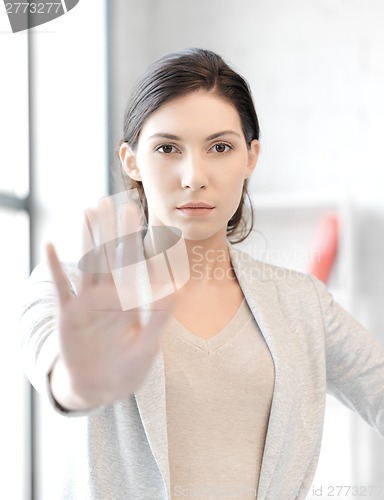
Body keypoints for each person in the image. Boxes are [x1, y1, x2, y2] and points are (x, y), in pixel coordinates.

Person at [20, 48, 384, 500]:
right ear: (131, 160)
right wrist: (82, 380)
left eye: (220, 147)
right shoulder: (73, 288)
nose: (194, 176)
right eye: (168, 148)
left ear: (250, 157)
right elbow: (59, 374)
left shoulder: (302, 303)